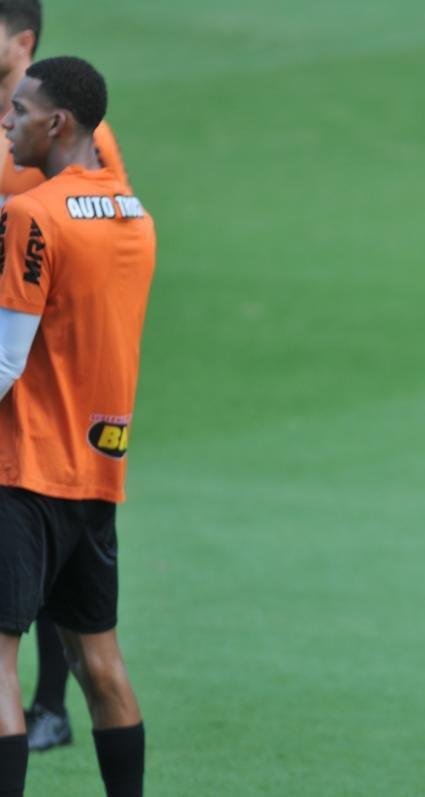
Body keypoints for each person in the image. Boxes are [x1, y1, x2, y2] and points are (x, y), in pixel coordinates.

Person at [0, 55, 155, 796]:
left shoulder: (32, 215)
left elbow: (4, 361)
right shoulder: (133, 213)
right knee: (101, 664)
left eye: (20, 111)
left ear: (57, 122)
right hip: (97, 476)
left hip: (21, 469)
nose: (8, 120)